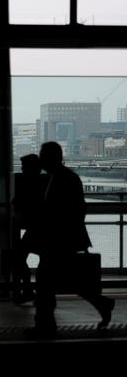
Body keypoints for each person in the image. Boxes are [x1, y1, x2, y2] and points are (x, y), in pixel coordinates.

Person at [26, 141, 115, 338]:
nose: (40, 159)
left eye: (43, 156)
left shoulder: (65, 179)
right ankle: (101, 303)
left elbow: (72, 211)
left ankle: (45, 326)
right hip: (59, 241)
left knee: (45, 283)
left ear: (52, 157)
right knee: (64, 281)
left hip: (60, 241)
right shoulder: (56, 178)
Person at [10, 153, 43, 304]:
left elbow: (17, 202)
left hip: (35, 229)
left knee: (18, 258)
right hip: (41, 229)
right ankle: (37, 292)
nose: (22, 169)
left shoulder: (27, 184)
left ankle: (29, 289)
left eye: (24, 166)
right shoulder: (45, 181)